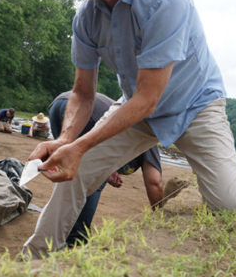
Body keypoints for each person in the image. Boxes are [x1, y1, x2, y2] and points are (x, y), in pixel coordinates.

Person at [23, 0, 236, 257]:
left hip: (195, 105)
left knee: (230, 207)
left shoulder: (165, 1)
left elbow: (149, 97)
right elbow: (83, 93)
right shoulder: (86, 17)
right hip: (137, 105)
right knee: (78, 169)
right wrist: (65, 140)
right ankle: (35, 259)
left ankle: (229, 178)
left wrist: (81, 144)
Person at [49, 91, 164, 247]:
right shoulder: (148, 138)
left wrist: (108, 171)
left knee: (69, 172)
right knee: (93, 181)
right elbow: (154, 182)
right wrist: (161, 216)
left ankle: (53, 232)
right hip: (87, 112)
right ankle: (76, 240)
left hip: (61, 103)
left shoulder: (132, 130)